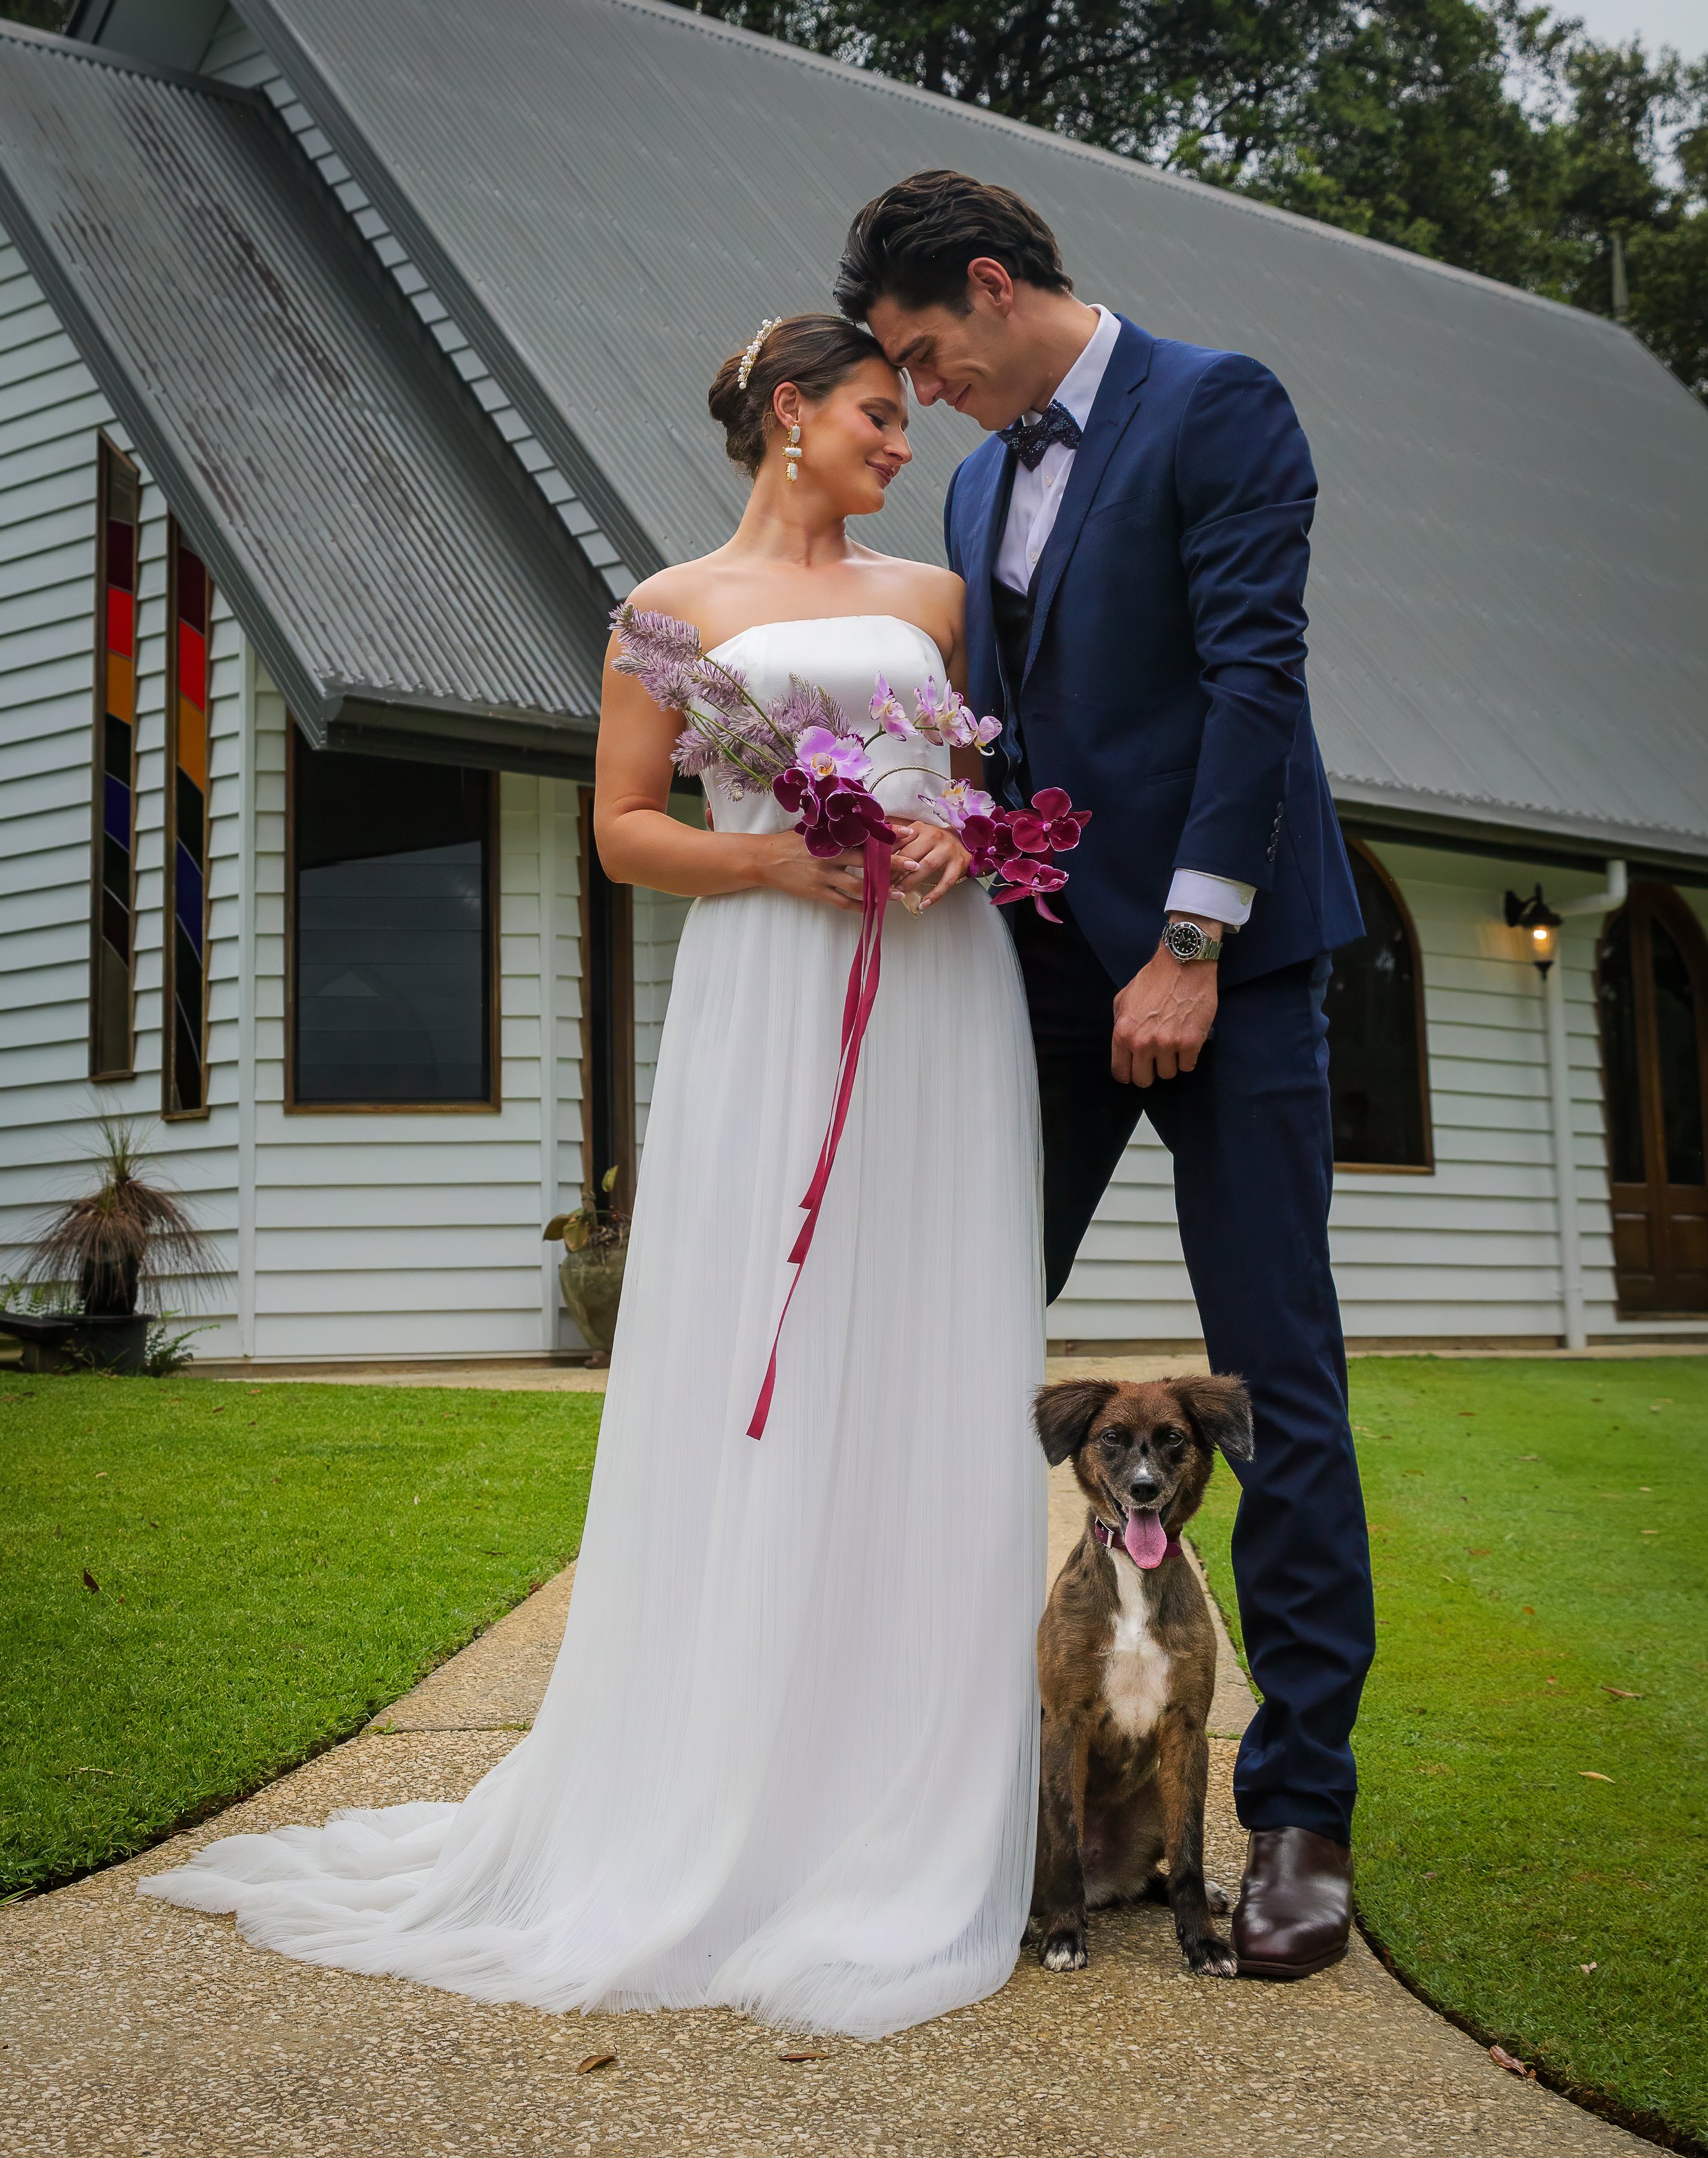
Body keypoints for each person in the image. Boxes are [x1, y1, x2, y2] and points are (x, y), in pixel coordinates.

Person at [141, 314, 1047, 2039]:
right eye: (874, 413)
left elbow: (990, 771)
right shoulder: (667, 610)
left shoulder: (940, 602)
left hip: (940, 995)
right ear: (790, 413)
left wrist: (950, 832)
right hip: (774, 989)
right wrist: (782, 860)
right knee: (758, 1367)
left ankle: (921, 1781)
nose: (899, 441)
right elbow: (626, 828)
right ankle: (728, 1783)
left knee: (928, 1338)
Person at [837, 171, 1375, 1981]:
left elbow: (1250, 684)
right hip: (1054, 980)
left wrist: (1193, 941)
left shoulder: (1217, 402)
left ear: (993, 286)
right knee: (951, 1339)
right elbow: (1014, 732)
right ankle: (945, 1780)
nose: (930, 403)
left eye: (931, 355)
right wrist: (945, 843)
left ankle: (1295, 1809)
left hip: (1232, 969)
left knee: (1276, 1378)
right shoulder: (985, 480)